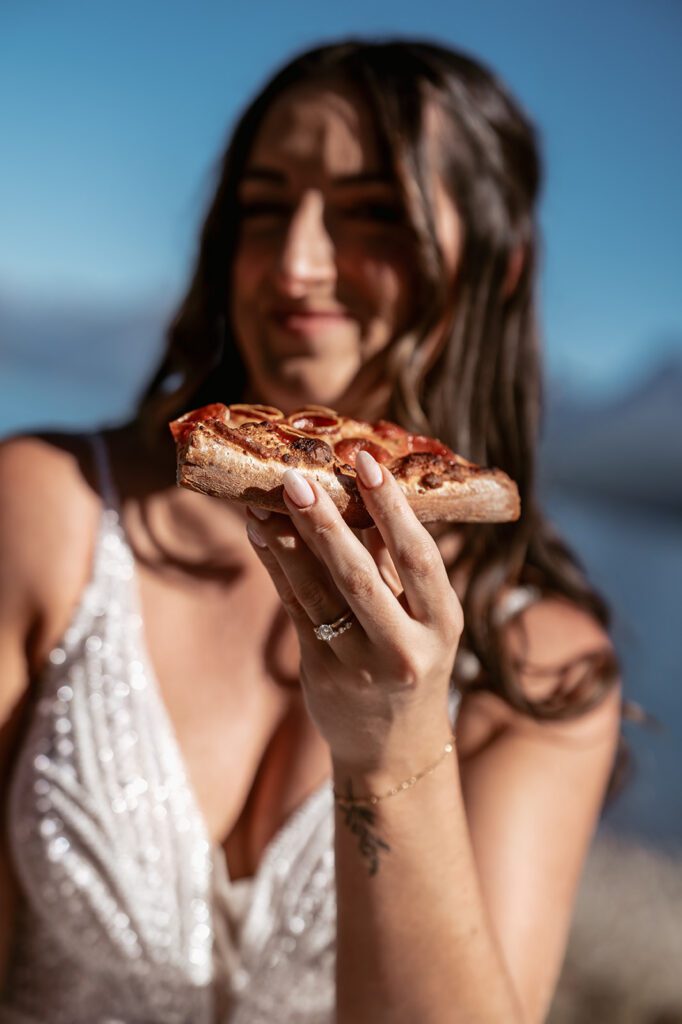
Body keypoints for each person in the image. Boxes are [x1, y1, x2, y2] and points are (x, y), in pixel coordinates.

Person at [0, 38, 624, 1024]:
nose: (296, 262)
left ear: (496, 266)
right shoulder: (47, 509)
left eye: (373, 210)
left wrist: (395, 745)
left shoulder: (544, 669)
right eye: (264, 203)